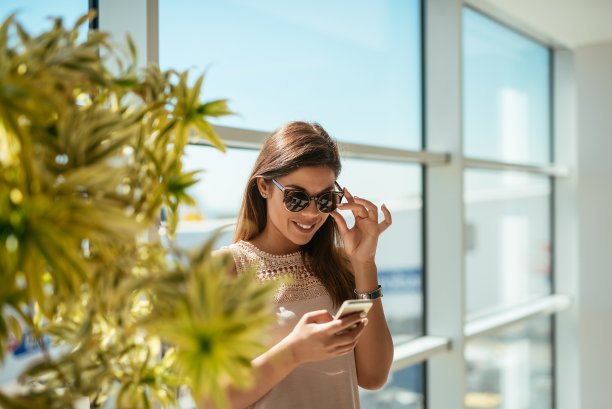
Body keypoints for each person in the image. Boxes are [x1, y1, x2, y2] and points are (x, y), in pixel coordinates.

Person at [207, 121, 393, 409]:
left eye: (325, 199)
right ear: (264, 186)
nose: (311, 213)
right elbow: (210, 400)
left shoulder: (342, 264)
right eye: (297, 198)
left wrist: (365, 263)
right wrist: (294, 352)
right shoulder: (226, 268)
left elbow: (373, 376)